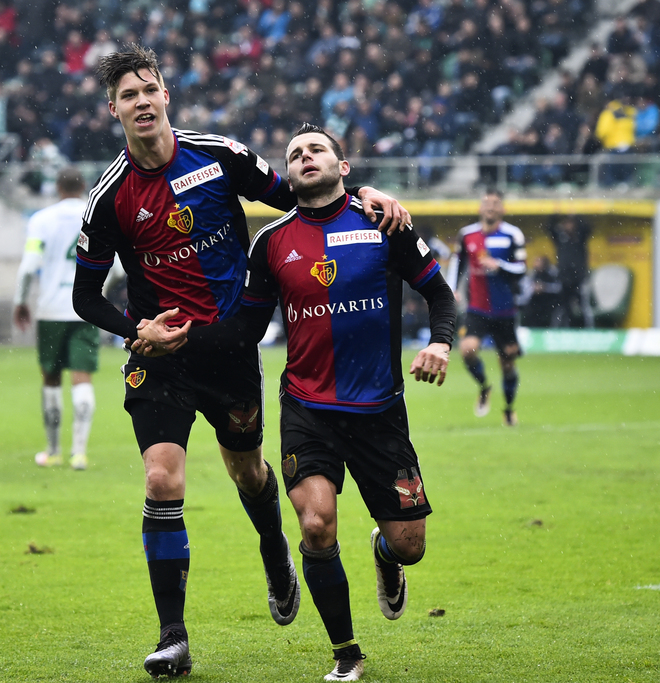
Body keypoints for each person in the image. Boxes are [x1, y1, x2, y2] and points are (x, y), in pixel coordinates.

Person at [71, 45, 410, 678]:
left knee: (251, 475)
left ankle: (272, 544)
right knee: (161, 481)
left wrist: (365, 191)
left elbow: (306, 194)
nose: (141, 101)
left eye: (150, 88)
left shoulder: (219, 156)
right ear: (111, 108)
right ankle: (173, 635)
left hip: (228, 351)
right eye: (128, 95)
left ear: (165, 94)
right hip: (161, 357)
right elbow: (84, 295)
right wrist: (135, 327)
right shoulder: (111, 197)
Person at [135, 123, 456, 682]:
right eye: (295, 154)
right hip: (308, 409)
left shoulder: (383, 222)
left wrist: (440, 343)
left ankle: (384, 551)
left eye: (317, 150)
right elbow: (245, 330)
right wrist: (170, 339)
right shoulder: (271, 242)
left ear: (343, 167)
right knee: (315, 525)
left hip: (380, 410)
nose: (305, 158)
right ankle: (346, 654)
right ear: (287, 175)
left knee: (411, 547)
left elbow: (438, 291)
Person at [14, 168, 98, 471]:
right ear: (83, 186)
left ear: (58, 188)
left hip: (50, 308)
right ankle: (79, 453)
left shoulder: (41, 220)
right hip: (85, 309)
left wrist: (21, 301)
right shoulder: (96, 214)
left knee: (51, 378)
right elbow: (116, 266)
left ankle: (52, 451)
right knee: (82, 377)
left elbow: (29, 265)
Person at [447, 189, 527, 426]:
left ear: (502, 208)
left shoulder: (513, 235)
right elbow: (457, 263)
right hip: (477, 307)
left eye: (495, 203)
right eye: (486, 203)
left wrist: (499, 265)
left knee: (508, 363)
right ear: (480, 208)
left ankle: (509, 409)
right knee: (467, 349)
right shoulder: (467, 235)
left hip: (505, 310)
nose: (490, 207)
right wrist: (452, 288)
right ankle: (484, 386)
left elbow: (522, 269)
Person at [546, 215, 593, 327]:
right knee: (562, 308)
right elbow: (549, 227)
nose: (568, 226)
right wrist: (555, 214)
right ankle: (560, 330)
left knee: (584, 307)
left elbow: (587, 228)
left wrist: (576, 215)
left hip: (579, 279)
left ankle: (589, 330)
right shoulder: (561, 239)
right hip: (564, 279)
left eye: (571, 223)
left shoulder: (580, 238)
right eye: (566, 224)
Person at [518, 255, 562, 327]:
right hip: (535, 302)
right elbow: (524, 286)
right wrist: (533, 288)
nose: (536, 264)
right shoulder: (533, 274)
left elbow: (558, 287)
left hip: (549, 301)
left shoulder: (551, 273)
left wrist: (544, 287)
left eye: (538, 261)